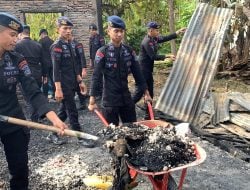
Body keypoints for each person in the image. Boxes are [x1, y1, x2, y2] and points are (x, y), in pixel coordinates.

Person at [0, 12, 67, 190]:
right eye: (12, 35)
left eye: (17, 35)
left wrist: (54, 118)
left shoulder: (17, 59)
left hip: (13, 118)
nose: (16, 39)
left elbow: (33, 91)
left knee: (20, 169)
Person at [88, 15, 151, 126]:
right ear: (109, 31)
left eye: (121, 31)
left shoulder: (129, 51)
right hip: (110, 100)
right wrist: (92, 99)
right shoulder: (102, 52)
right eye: (116, 31)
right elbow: (96, 76)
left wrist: (146, 92)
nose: (119, 34)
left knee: (133, 131)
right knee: (113, 135)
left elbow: (138, 74)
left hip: (126, 98)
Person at [49, 16, 92, 147]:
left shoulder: (70, 44)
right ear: (58, 30)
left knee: (63, 111)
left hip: (73, 82)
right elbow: (56, 69)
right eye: (65, 28)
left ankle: (52, 133)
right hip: (63, 85)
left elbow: (74, 66)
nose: (68, 31)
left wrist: (80, 81)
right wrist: (58, 88)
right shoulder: (56, 46)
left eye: (69, 28)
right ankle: (80, 137)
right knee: (72, 111)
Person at [133, 21, 186, 118]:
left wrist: (177, 32)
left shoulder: (154, 39)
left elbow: (165, 38)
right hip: (142, 71)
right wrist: (167, 56)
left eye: (158, 30)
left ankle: (148, 115)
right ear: (150, 30)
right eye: (156, 30)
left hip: (148, 70)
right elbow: (153, 56)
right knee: (139, 92)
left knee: (151, 92)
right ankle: (127, 108)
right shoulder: (146, 42)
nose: (158, 32)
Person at [15, 25, 47, 122]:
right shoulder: (37, 45)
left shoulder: (17, 45)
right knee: (36, 94)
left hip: (24, 74)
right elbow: (44, 61)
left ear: (21, 34)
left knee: (28, 98)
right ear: (29, 33)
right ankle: (38, 116)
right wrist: (44, 75)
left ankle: (34, 119)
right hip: (37, 73)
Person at [69, 33, 88, 110]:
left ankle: (83, 103)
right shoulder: (67, 45)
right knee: (73, 86)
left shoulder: (78, 44)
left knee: (79, 86)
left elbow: (82, 57)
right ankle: (72, 104)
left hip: (78, 68)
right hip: (72, 69)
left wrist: (84, 68)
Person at [89, 23, 105, 98]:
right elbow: (90, 50)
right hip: (94, 60)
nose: (92, 31)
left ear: (96, 30)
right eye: (91, 30)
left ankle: (102, 93)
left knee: (100, 76)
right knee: (96, 76)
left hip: (100, 60)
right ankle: (98, 93)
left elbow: (103, 49)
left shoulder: (100, 38)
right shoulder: (91, 38)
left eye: (93, 30)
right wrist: (91, 60)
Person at [38, 28, 55, 99]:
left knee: (45, 79)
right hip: (53, 63)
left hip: (44, 64)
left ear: (42, 34)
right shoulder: (52, 41)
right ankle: (55, 94)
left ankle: (45, 96)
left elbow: (39, 53)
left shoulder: (41, 41)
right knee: (53, 79)